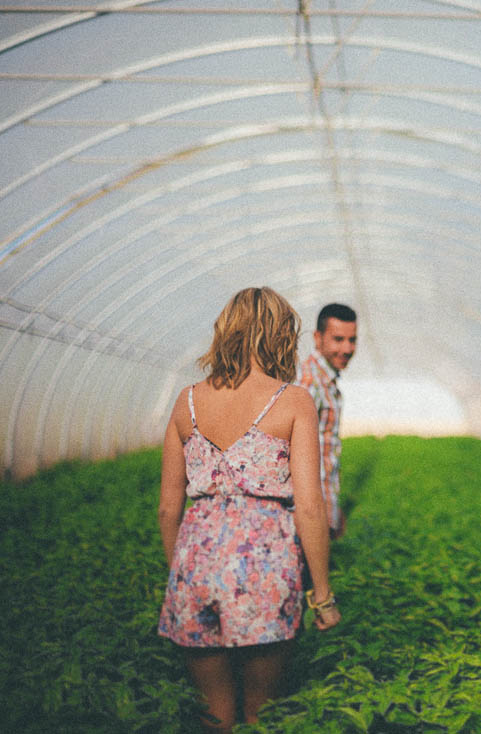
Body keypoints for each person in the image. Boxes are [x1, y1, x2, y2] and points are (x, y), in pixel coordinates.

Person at [157, 287, 341, 732]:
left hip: (195, 561)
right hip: (264, 566)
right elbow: (310, 508)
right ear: (282, 336)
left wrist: (182, 571)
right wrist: (322, 596)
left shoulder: (187, 401)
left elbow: (167, 508)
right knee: (262, 710)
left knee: (213, 709)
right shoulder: (293, 400)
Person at [296, 303, 357, 539]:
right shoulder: (310, 383)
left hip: (320, 505)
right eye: (338, 339)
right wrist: (317, 512)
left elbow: (324, 450)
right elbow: (295, 453)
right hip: (309, 510)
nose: (347, 348)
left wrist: (333, 507)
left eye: (352, 340)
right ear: (317, 338)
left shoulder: (326, 381)